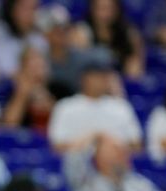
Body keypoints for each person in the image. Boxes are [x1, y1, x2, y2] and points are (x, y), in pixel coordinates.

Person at [48, 48, 142, 180]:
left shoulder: (121, 106)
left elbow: (136, 146)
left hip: (118, 172)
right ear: (84, 78)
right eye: (98, 75)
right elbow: (57, 147)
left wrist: (109, 145)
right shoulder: (66, 106)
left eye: (106, 74)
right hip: (77, 174)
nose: (104, 79)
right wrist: (94, 138)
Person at [72, 135, 165, 191]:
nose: (122, 153)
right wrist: (94, 135)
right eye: (115, 149)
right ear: (99, 157)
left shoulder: (141, 186)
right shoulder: (89, 187)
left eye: (123, 150)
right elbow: (72, 162)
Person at [73, 0, 145, 79]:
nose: (105, 14)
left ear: (117, 10)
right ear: (92, 9)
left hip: (119, 82)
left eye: (110, 8)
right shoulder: (81, 32)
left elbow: (137, 65)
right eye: (101, 8)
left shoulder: (129, 33)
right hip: (92, 80)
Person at [1, 45, 55, 134]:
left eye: (40, 65)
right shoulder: (9, 88)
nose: (37, 69)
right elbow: (9, 125)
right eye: (32, 65)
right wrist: (23, 94)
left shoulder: (57, 88)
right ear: (22, 68)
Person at [0, 0, 46, 80]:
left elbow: (43, 75)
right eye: (25, 8)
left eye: (34, 8)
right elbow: (3, 71)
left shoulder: (38, 39)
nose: (30, 14)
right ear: (12, 9)